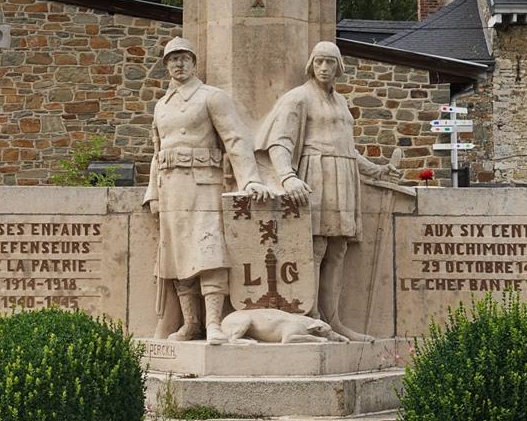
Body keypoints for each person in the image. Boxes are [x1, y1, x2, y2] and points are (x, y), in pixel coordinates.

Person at [255, 41, 395, 341]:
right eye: (319, 61)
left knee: (338, 248)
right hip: (315, 173)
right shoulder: (298, 98)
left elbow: (348, 149)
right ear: (311, 64)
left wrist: (377, 170)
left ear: (338, 67)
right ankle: (311, 317)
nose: (324, 67)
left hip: (343, 175)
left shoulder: (341, 102)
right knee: (315, 247)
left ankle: (334, 320)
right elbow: (280, 142)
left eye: (330, 62)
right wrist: (288, 177)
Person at [143, 37, 269, 343]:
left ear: (194, 63)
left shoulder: (211, 96)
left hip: (203, 183)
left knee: (208, 251)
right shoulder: (162, 105)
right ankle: (192, 324)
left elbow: (235, 139)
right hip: (171, 187)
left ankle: (214, 322)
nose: (179, 64)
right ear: (166, 65)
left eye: (185, 58)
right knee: (176, 257)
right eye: (173, 59)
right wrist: (153, 193)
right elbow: (157, 152)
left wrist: (250, 179)